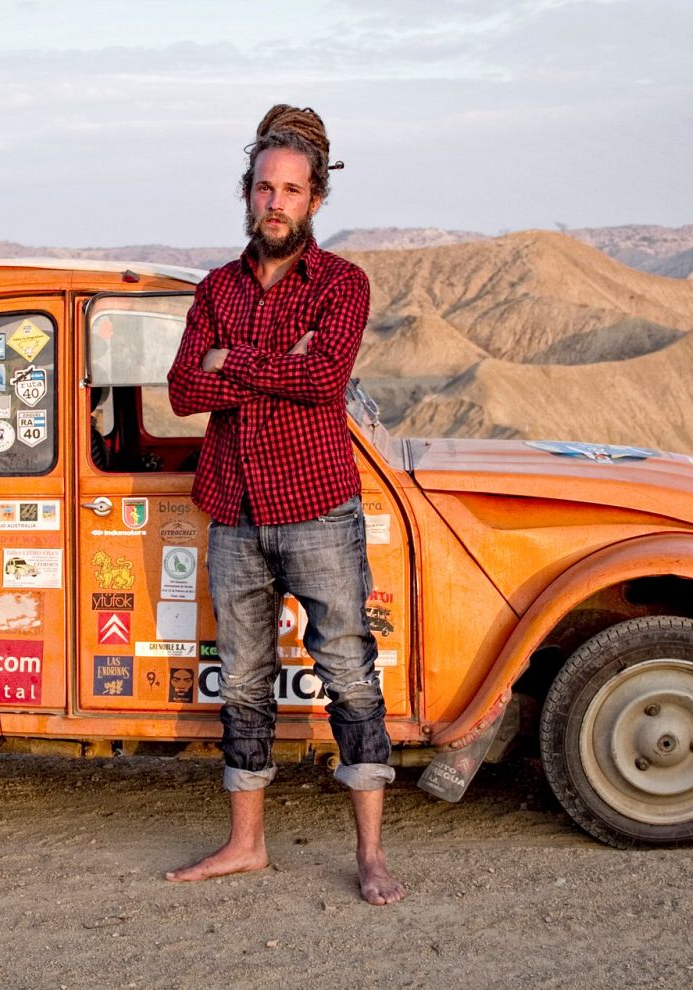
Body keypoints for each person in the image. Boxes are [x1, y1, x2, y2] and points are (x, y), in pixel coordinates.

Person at [164, 104, 404, 905]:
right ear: (247, 192)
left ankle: (369, 855)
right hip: (232, 509)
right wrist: (269, 362)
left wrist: (235, 358)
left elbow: (323, 379)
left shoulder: (343, 284)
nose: (275, 202)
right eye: (264, 187)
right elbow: (183, 387)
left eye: (292, 191)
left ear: (316, 201)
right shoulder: (215, 288)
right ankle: (245, 845)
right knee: (242, 680)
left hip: (315, 507)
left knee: (348, 672)